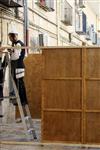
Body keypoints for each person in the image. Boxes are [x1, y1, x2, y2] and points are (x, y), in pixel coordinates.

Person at [8, 29, 28, 116]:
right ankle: (21, 100)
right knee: (19, 84)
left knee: (19, 85)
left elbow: (15, 57)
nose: (10, 39)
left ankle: (21, 100)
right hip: (18, 67)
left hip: (18, 67)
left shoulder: (18, 44)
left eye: (10, 37)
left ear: (14, 36)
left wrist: (11, 51)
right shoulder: (16, 44)